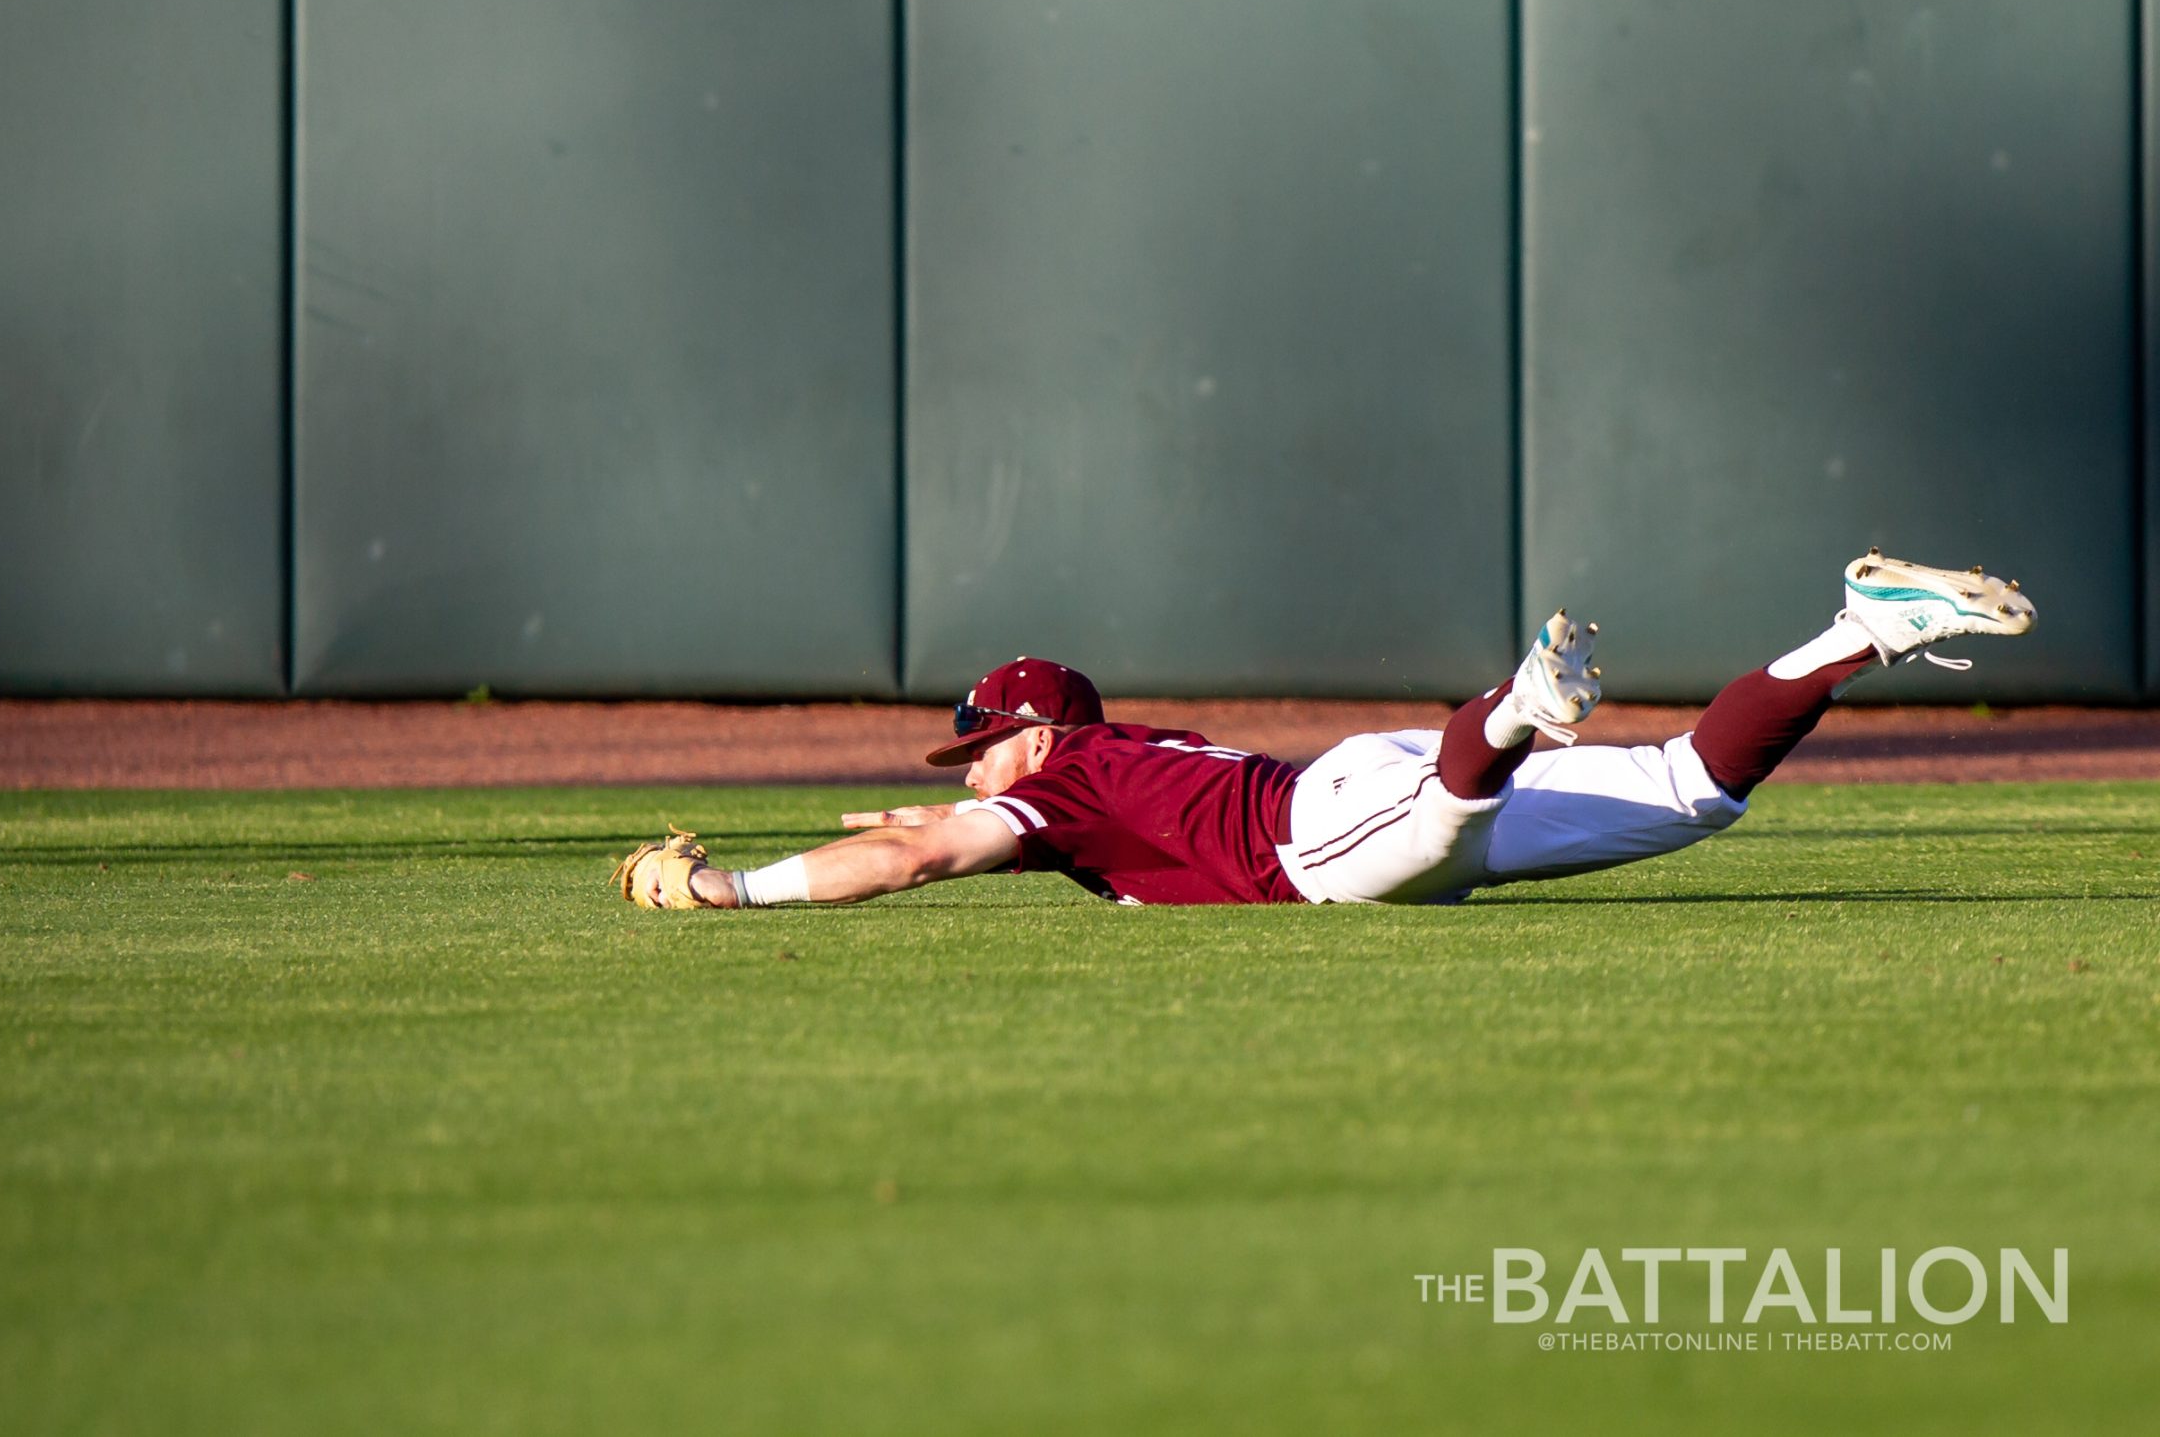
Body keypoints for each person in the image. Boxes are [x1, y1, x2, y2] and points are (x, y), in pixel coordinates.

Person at [615, 552, 2035, 910]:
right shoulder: (1112, 760)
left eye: (980, 741)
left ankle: (1518, 711)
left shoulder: (1068, 780)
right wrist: (934, 819)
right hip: (1341, 780)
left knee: (1424, 835)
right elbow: (939, 828)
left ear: (1032, 731)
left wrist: (730, 888)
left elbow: (927, 854)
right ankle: (1862, 629)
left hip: (1317, 834)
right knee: (1690, 790)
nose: (968, 763)